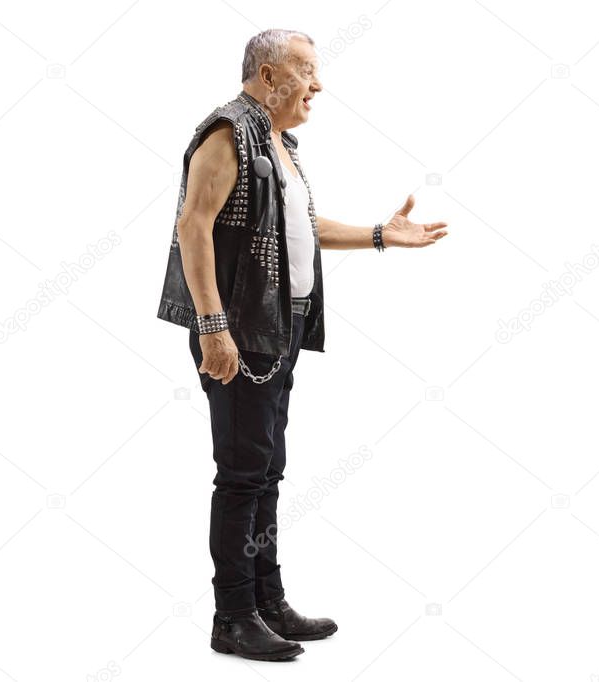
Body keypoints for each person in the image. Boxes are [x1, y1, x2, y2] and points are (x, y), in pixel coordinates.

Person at [156, 28, 448, 661]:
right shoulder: (227, 132)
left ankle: (266, 599)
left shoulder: (278, 141)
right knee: (241, 475)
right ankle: (232, 616)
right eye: (307, 71)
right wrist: (212, 327)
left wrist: (378, 235)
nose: (318, 85)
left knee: (267, 470)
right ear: (267, 75)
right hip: (239, 330)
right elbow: (192, 226)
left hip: (279, 328)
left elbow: (299, 228)